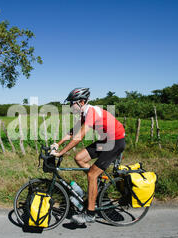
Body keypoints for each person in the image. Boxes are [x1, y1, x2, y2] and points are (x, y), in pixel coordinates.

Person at [51, 88, 126, 224]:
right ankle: (97, 186)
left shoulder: (91, 112)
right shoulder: (84, 113)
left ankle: (90, 214)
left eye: (71, 103)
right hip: (106, 140)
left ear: (81, 101)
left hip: (115, 141)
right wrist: (58, 143)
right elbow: (73, 132)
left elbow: (79, 137)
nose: (70, 106)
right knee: (79, 158)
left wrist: (61, 153)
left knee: (91, 174)